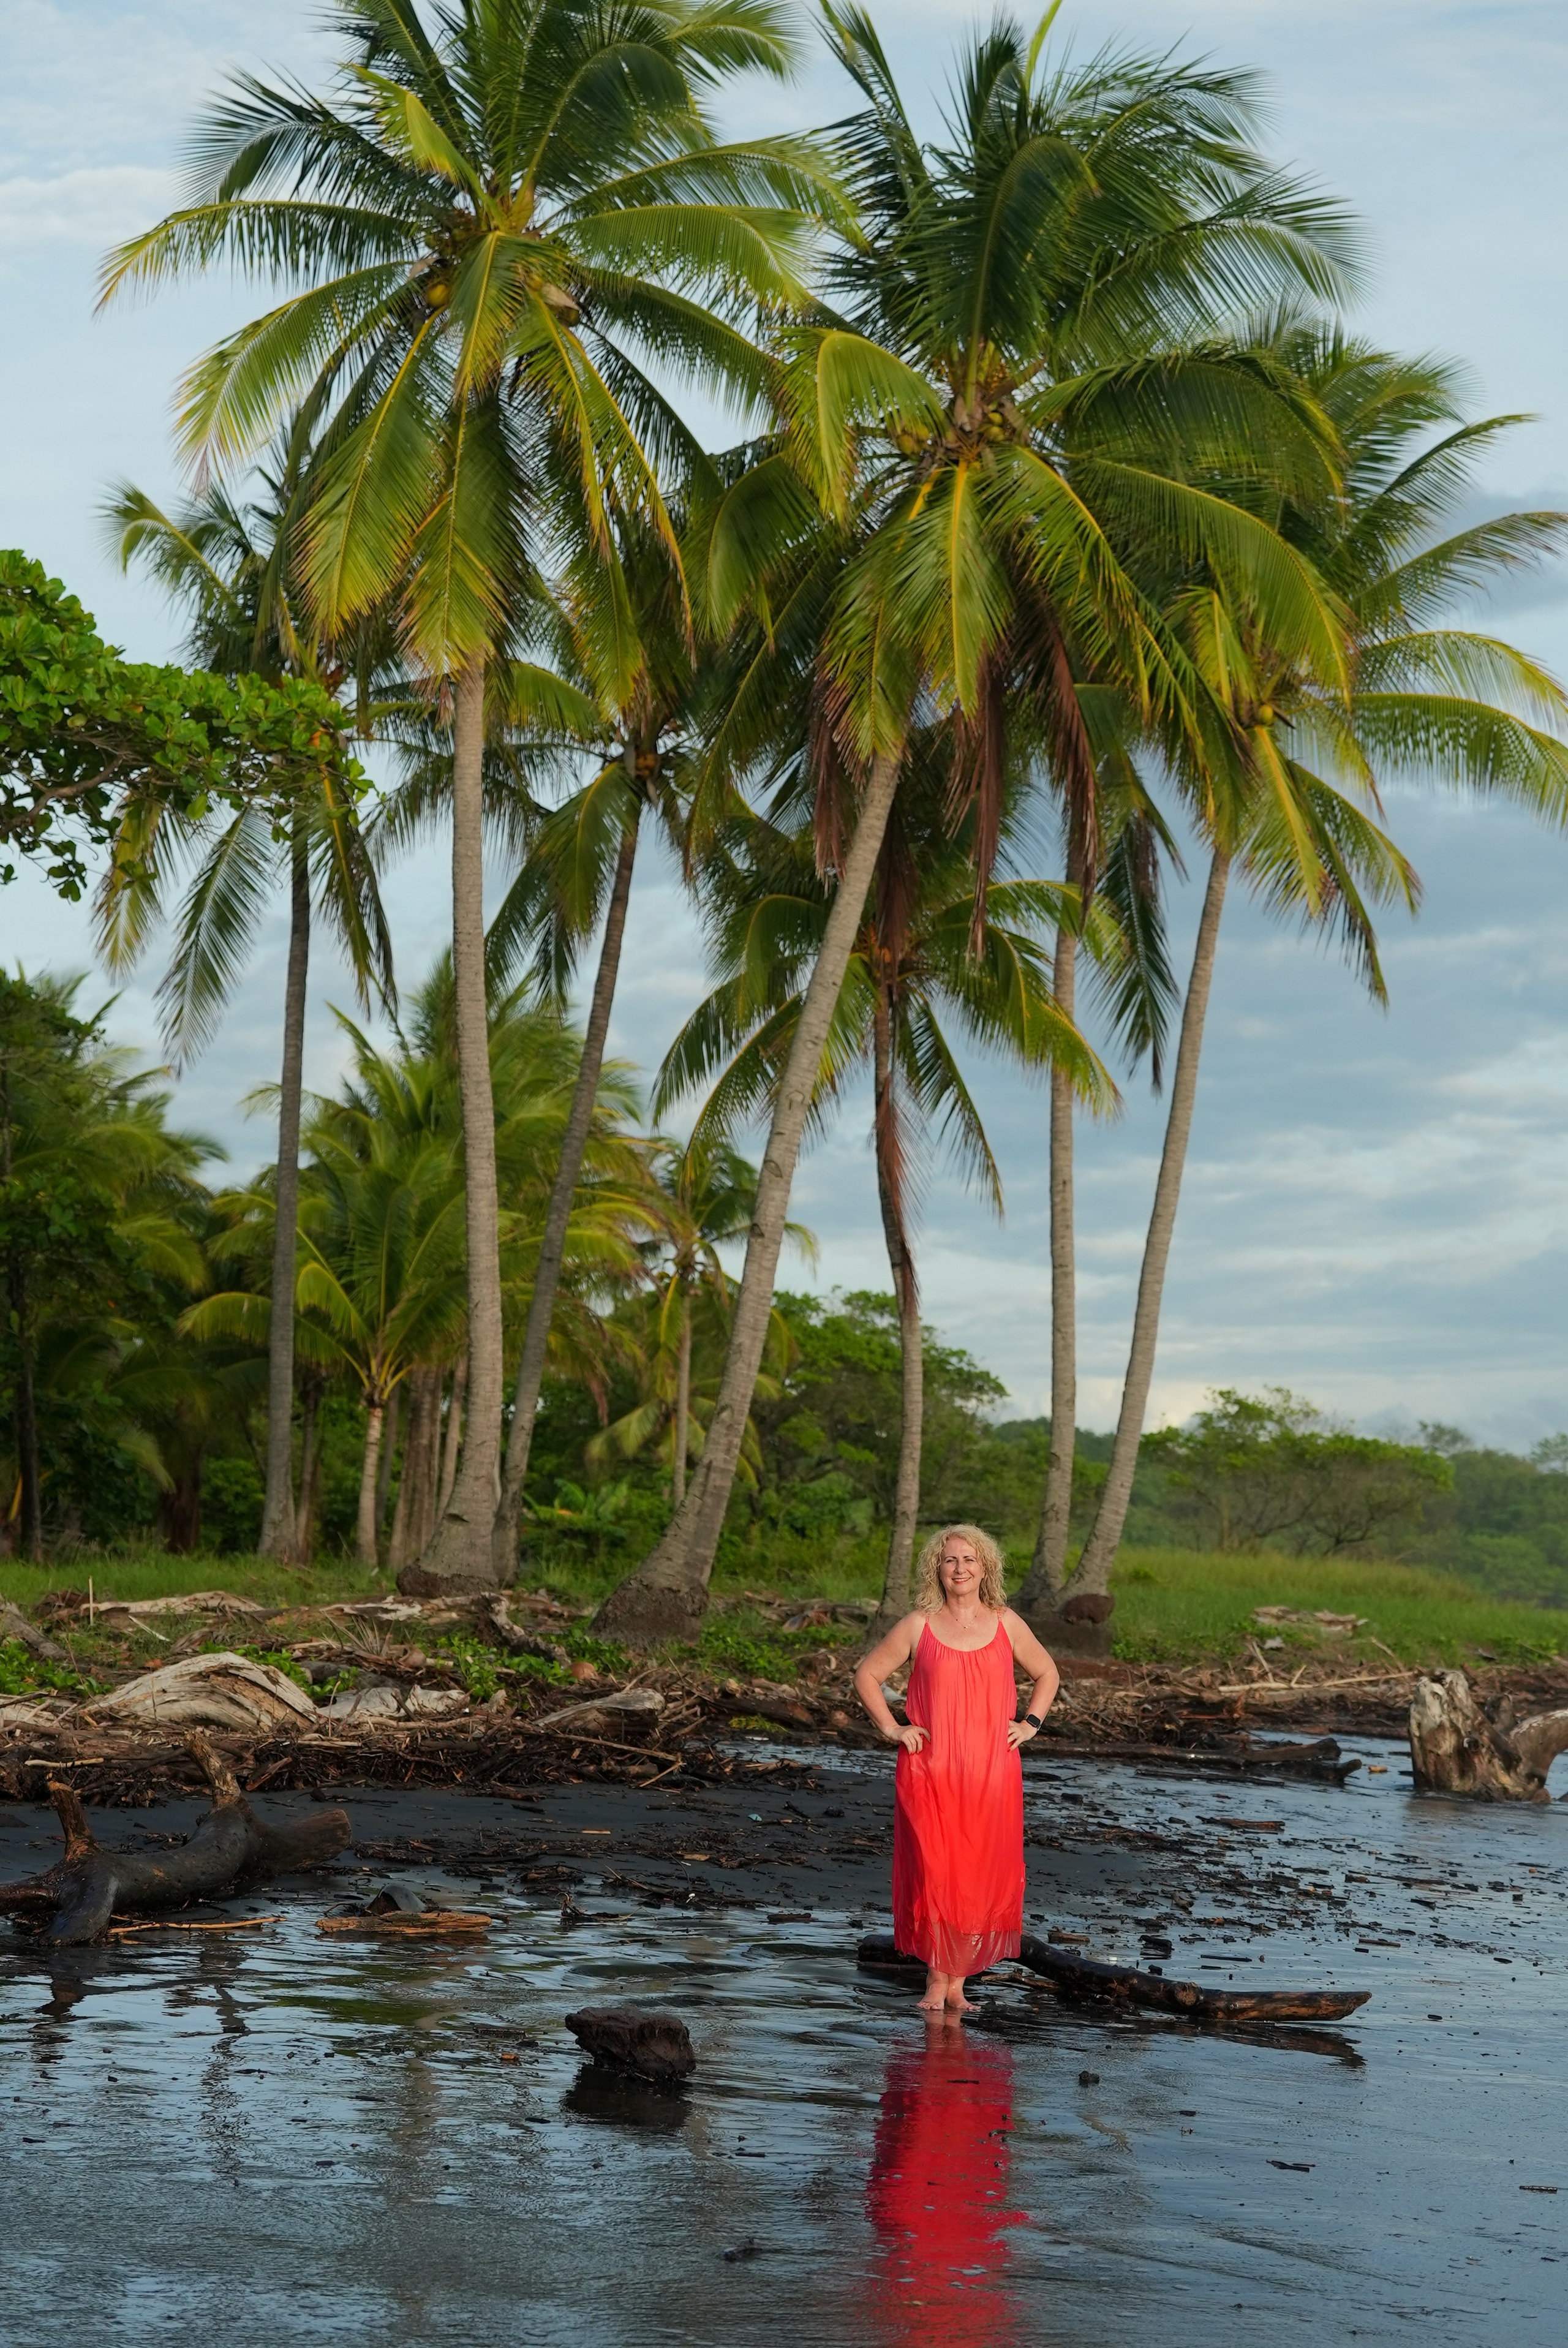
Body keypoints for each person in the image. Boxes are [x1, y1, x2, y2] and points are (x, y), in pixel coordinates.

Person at [853, 1525, 1059, 2015]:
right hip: (930, 1771)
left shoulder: (1006, 1622)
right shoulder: (918, 1625)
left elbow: (1048, 1672)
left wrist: (1030, 1723)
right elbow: (866, 1674)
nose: (960, 1568)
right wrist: (893, 1728)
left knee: (977, 1874)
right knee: (934, 1873)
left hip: (992, 1773)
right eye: (950, 1560)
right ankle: (934, 1977)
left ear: (985, 1567)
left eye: (969, 1559)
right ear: (937, 1570)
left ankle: (958, 1984)